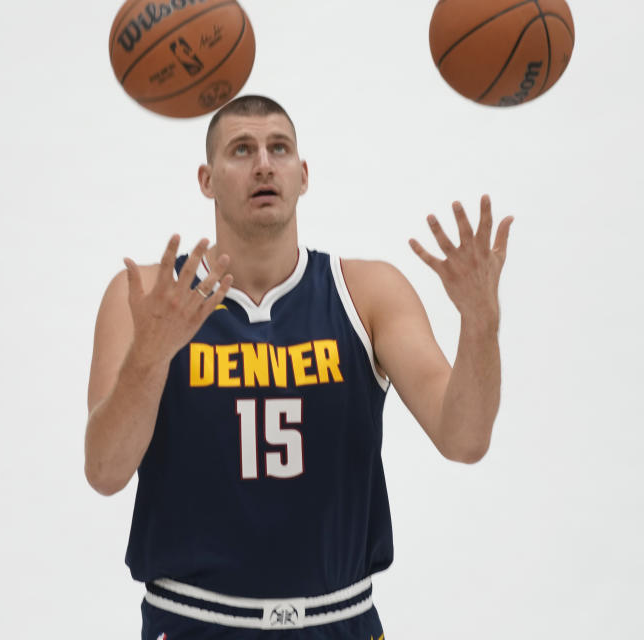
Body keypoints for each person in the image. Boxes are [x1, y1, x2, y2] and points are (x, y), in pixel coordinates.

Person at [84, 95, 512, 639]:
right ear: (206, 179)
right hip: (194, 622)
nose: (264, 163)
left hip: (341, 620)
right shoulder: (145, 295)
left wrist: (481, 324)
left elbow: (465, 439)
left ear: (303, 175)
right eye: (242, 150)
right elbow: (104, 471)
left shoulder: (366, 292)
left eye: (278, 148)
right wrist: (150, 355)